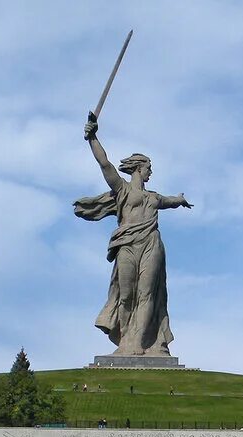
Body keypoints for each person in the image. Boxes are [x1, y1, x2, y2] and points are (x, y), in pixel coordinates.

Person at [75, 112, 192, 357]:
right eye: (149, 167)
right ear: (138, 168)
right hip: (127, 244)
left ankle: (139, 343)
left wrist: (180, 200)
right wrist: (93, 137)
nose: (151, 172)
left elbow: (171, 201)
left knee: (147, 294)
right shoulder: (123, 190)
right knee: (126, 294)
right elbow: (105, 164)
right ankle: (126, 341)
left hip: (151, 244)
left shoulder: (153, 197)